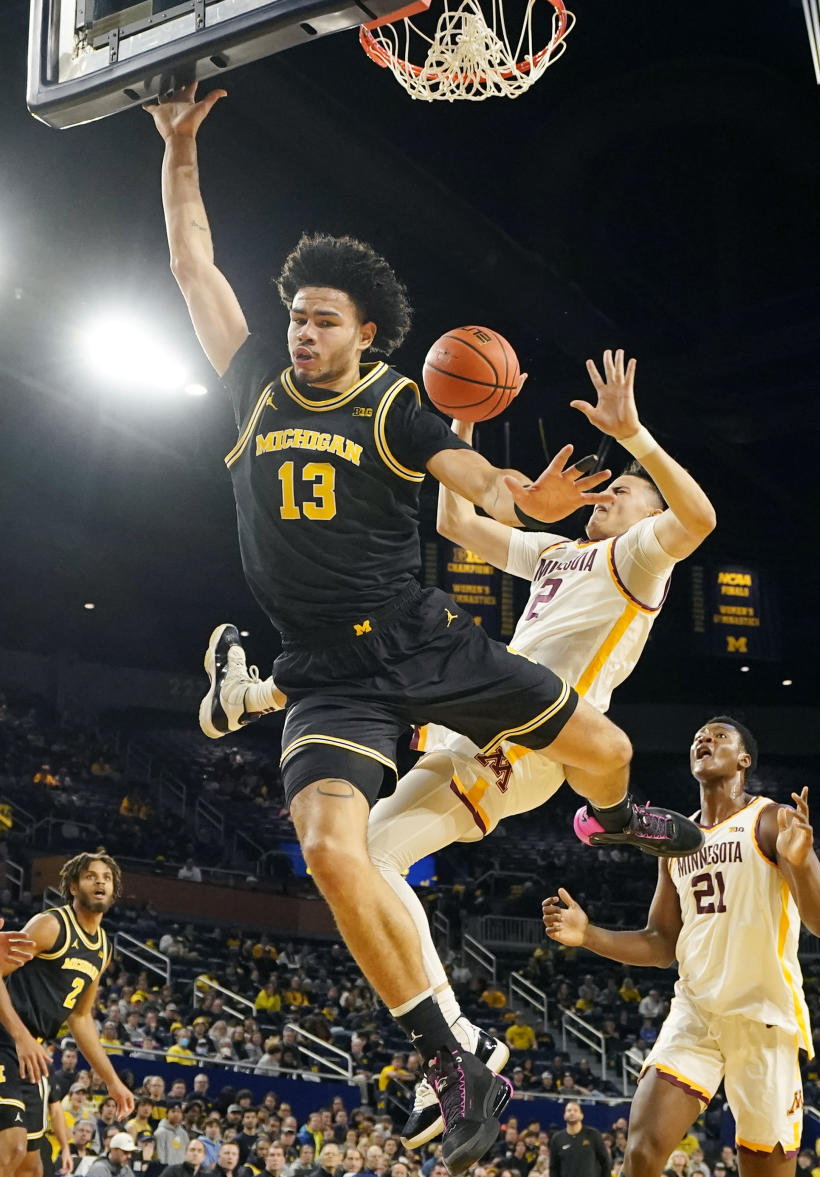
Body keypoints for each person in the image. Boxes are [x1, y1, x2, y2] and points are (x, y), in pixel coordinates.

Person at [147, 81, 702, 1176]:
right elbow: (190, 265)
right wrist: (177, 150)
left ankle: (624, 815)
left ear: (364, 334)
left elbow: (466, 474)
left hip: (420, 641)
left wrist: (519, 499)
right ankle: (455, 1056)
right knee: (328, 850)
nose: (304, 333)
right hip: (329, 676)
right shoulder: (254, 381)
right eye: (297, 316)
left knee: (607, 751)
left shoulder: (395, 401)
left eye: (324, 321)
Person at [206, 351, 715, 1149]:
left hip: (526, 746)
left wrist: (636, 437)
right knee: (356, 860)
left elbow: (698, 521)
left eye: (622, 492)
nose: (608, 493)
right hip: (477, 715)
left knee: (366, 856)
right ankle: (464, 1030)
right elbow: (456, 524)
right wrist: (459, 422)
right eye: (610, 486)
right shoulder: (555, 554)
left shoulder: (636, 555)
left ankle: (604, 827)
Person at [542, 717, 820, 1177]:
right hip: (696, 1012)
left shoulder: (770, 819)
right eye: (699, 735)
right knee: (641, 1150)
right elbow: (662, 945)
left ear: (744, 760)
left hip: (761, 1016)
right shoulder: (675, 841)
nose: (705, 739)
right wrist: (589, 935)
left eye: (720, 736)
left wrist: (799, 866)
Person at [0, 852, 135, 1177]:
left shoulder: (103, 947)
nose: (100, 881)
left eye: (107, 877)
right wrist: (20, 1036)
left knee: (31, 1167)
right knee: (11, 1146)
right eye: (91, 876)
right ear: (73, 886)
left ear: (114, 890)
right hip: (5, 1035)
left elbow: (81, 1018)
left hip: (30, 1050)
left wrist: (112, 1081)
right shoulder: (51, 925)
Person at [548, 1103, 611, 1177]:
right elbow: (553, 1168)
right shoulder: (557, 1138)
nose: (572, 1113)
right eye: (569, 1110)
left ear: (581, 1115)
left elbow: (605, 1162)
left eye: (575, 1110)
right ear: (564, 1115)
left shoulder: (593, 1135)